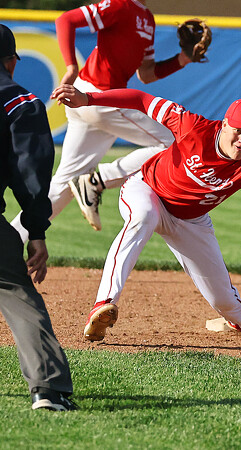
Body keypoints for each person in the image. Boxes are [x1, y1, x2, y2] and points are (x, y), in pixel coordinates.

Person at [51, 83, 241, 342]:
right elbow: (141, 99)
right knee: (142, 218)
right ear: (224, 124)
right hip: (147, 190)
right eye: (238, 131)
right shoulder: (192, 126)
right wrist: (88, 99)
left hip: (190, 221)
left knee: (226, 303)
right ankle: (103, 305)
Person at [11, 0, 199, 238]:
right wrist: (71, 67)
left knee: (64, 183)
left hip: (96, 101)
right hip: (98, 96)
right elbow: (65, 20)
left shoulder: (147, 19)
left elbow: (147, 73)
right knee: (175, 142)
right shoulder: (120, 5)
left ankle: (10, 240)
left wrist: (182, 59)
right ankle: (97, 181)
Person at [0, 24, 76, 411]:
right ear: (12, 61)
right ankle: (48, 390)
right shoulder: (20, 101)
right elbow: (30, 173)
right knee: (16, 293)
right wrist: (36, 231)